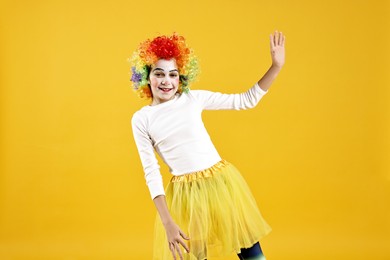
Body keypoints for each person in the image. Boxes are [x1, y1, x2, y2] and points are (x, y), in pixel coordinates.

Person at [129, 31, 285, 260]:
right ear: (146, 76)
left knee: (251, 252)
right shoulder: (142, 119)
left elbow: (245, 100)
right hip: (186, 197)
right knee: (194, 254)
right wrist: (167, 223)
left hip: (221, 185)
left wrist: (276, 67)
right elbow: (151, 172)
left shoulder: (193, 98)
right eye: (159, 73)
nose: (166, 81)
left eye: (173, 74)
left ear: (181, 77)